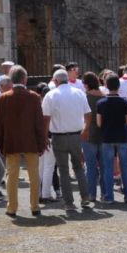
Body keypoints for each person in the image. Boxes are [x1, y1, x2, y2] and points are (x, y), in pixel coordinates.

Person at [0, 65, 47, 217]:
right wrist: (42, 142)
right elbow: (39, 123)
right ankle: (35, 206)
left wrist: (0, 144)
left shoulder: (2, 98)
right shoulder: (34, 97)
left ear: (11, 80)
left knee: (11, 175)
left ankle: (12, 208)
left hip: (11, 141)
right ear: (25, 79)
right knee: (34, 174)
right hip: (30, 140)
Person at [42, 68, 91, 212]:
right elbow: (88, 114)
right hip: (76, 135)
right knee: (78, 167)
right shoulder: (79, 93)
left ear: (56, 81)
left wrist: (45, 136)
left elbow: (46, 119)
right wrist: (86, 130)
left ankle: (69, 202)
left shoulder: (51, 95)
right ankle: (85, 196)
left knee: (63, 170)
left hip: (59, 136)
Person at [96, 75, 127, 204]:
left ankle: (109, 196)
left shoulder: (100, 103)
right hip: (122, 137)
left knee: (108, 168)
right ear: (118, 86)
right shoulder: (124, 103)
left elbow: (99, 123)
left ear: (106, 85)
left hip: (107, 137)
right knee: (125, 167)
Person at [81, 72, 105, 203]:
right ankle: (105, 193)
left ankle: (91, 194)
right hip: (102, 134)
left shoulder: (85, 97)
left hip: (89, 133)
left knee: (90, 167)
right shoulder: (104, 97)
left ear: (87, 84)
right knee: (104, 166)